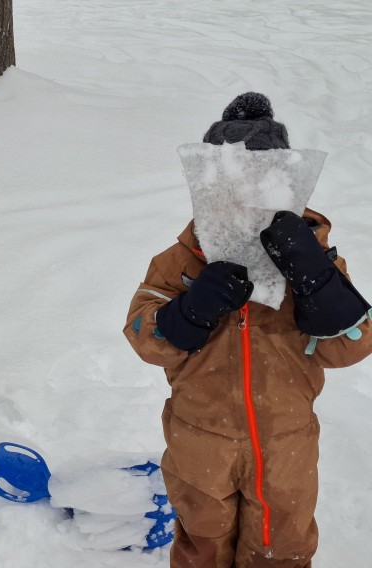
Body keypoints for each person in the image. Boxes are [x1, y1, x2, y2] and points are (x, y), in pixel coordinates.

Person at [123, 92, 372, 567]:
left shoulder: (310, 256)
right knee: (202, 542)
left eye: (259, 187)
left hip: (287, 445)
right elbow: (142, 334)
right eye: (230, 187)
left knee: (283, 546)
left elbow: (351, 346)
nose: (243, 201)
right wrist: (189, 311)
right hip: (198, 441)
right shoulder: (181, 260)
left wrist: (317, 277)